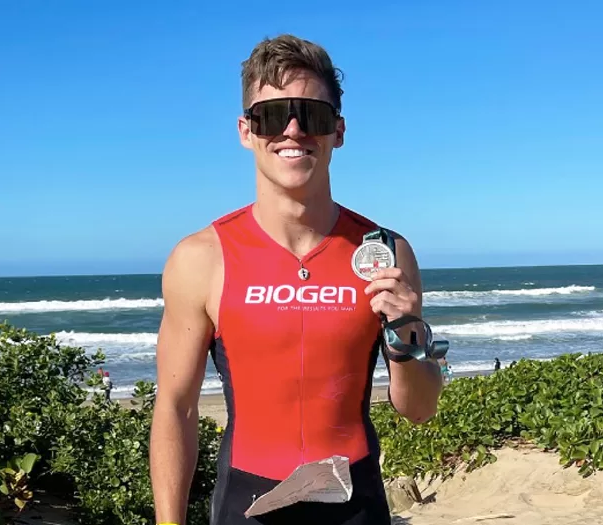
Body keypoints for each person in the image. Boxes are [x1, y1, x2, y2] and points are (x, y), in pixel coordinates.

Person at [149, 34, 444, 525]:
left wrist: (407, 328)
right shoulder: (201, 258)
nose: (292, 130)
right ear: (246, 130)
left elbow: (419, 410)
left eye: (313, 115)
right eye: (271, 115)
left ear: (338, 132)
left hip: (357, 506)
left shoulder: (386, 252)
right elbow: (175, 408)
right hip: (246, 507)